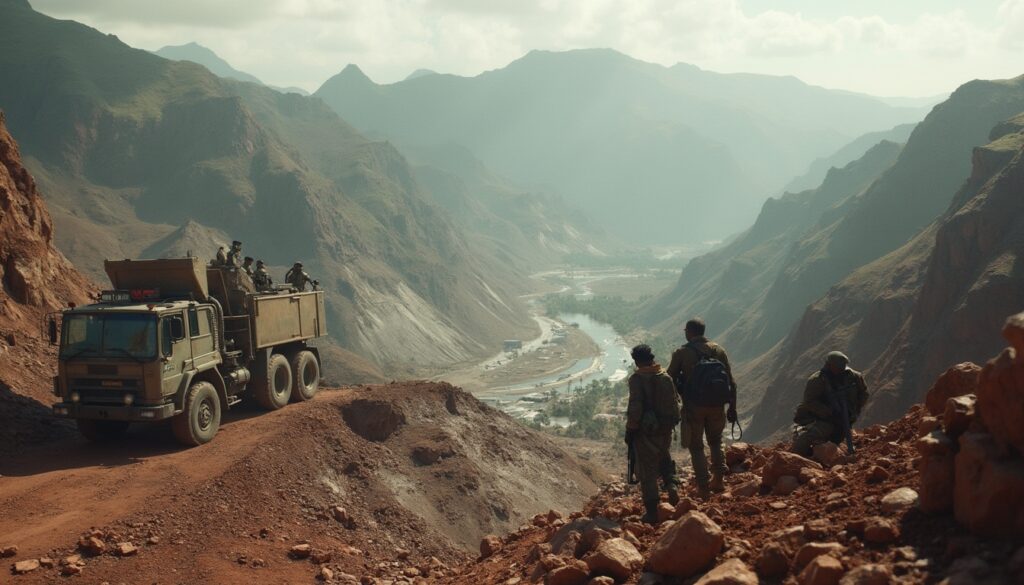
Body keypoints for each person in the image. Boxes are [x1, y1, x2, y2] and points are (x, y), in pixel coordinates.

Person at [667, 318, 736, 499]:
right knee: (716, 440)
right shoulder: (719, 350)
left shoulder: (682, 353)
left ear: (689, 332)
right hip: (717, 405)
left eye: (685, 331)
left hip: (693, 407)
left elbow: (669, 380)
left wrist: (674, 403)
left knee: (696, 447)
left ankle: (704, 489)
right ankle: (719, 479)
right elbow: (731, 380)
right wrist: (732, 407)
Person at [625, 344, 681, 523]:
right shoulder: (665, 376)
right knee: (664, 456)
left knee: (647, 469)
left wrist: (631, 429)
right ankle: (672, 484)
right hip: (666, 429)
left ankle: (651, 511)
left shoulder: (637, 379)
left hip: (646, 432)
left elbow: (635, 408)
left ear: (637, 360)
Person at [791, 351, 869, 457]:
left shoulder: (854, 377)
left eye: (843, 366)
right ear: (829, 365)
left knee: (836, 439)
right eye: (838, 367)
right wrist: (828, 412)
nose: (841, 369)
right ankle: (795, 458)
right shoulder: (817, 380)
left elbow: (864, 394)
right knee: (810, 436)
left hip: (845, 417)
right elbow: (809, 401)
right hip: (823, 418)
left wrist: (854, 411)